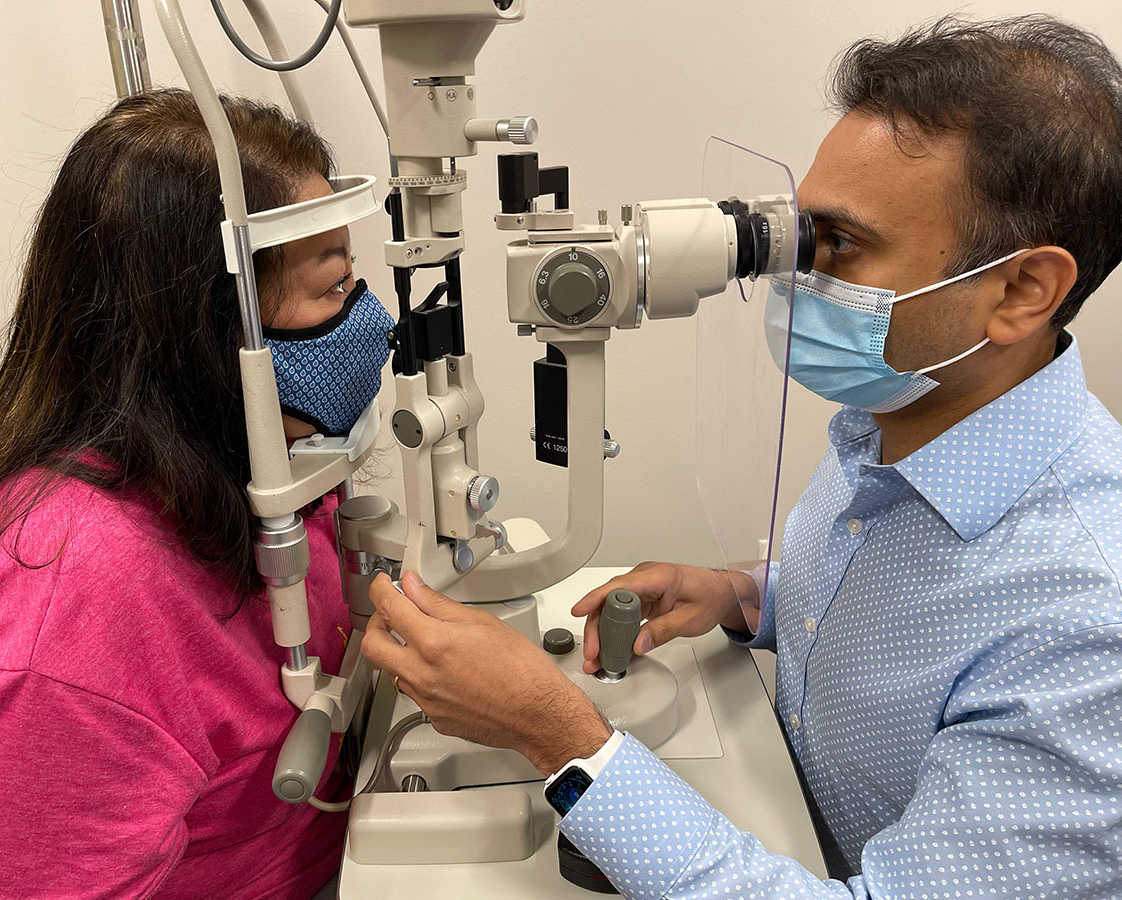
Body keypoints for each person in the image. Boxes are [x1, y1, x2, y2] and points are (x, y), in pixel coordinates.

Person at [362, 15, 1122, 899]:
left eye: (840, 244)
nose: (794, 274)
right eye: (800, 236)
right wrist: (745, 596)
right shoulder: (904, 420)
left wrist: (558, 737)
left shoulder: (1085, 622)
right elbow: (905, 625)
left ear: (1022, 291)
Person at [0, 89, 392, 899]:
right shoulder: (74, 613)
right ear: (210, 327)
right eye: (332, 288)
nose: (373, 325)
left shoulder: (251, 464)